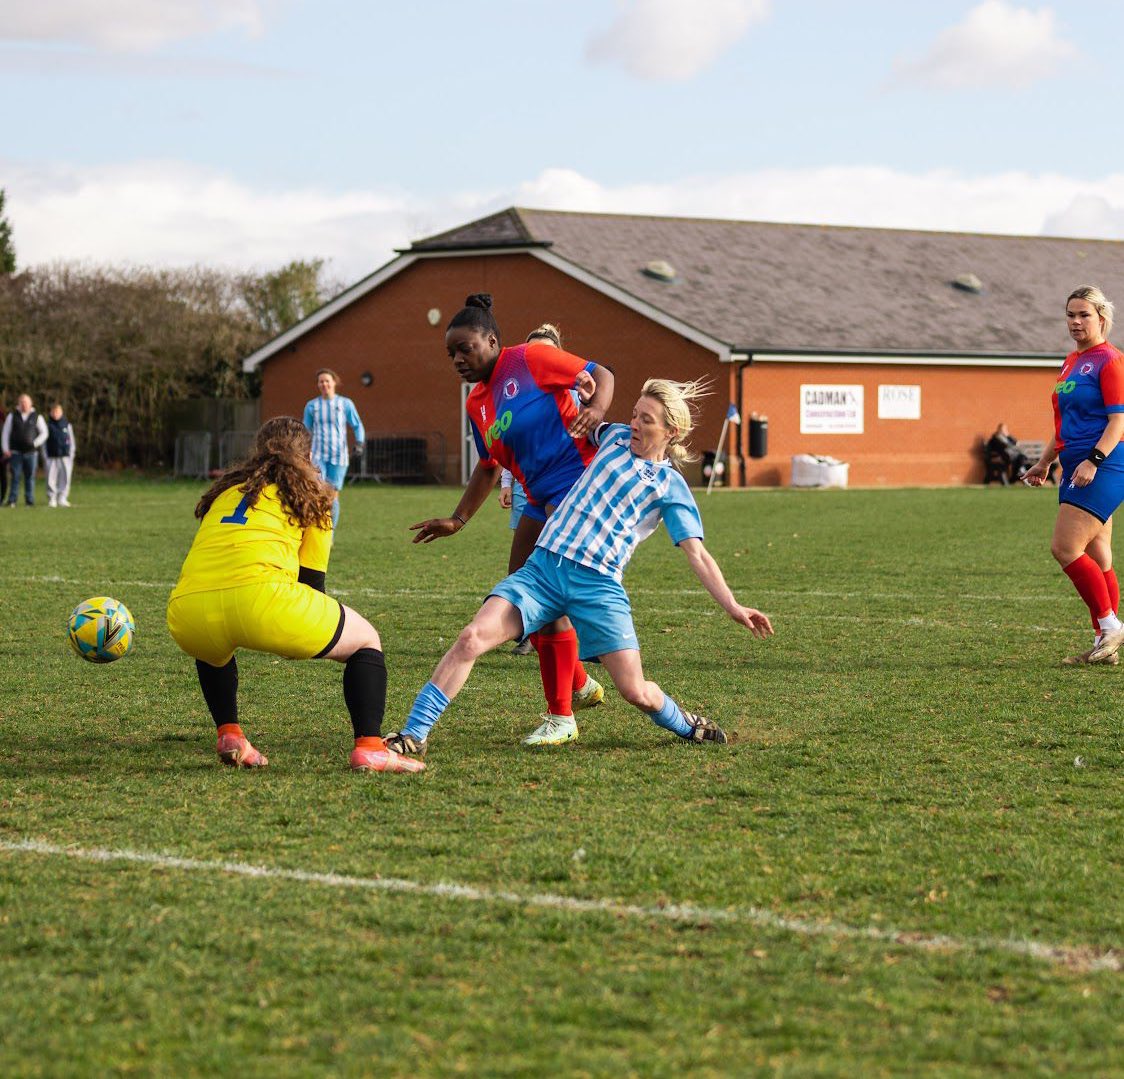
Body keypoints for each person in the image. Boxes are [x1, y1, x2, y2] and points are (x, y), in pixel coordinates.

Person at [387, 378, 774, 761]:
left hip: (598, 586)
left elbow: (698, 555)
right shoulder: (615, 437)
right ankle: (413, 734)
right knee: (471, 638)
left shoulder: (670, 486)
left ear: (671, 431)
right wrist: (579, 392)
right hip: (543, 570)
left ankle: (688, 725)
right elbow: (580, 416)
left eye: (647, 420)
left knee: (635, 691)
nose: (635, 424)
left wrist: (733, 607)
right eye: (635, 414)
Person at [410, 297, 616, 746]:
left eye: (465, 348)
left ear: (492, 341)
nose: (458, 360)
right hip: (540, 499)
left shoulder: (530, 359)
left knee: (541, 597)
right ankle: (578, 684)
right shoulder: (477, 404)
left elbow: (603, 373)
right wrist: (458, 520)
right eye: (451, 354)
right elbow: (487, 466)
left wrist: (596, 409)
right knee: (518, 591)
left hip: (578, 491)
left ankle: (562, 716)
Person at [166, 417, 422, 773]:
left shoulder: (225, 491)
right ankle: (369, 747)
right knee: (366, 641)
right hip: (262, 604)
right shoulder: (313, 495)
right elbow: (312, 586)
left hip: (187, 612)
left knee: (214, 647)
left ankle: (229, 734)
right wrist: (292, 638)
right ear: (307, 454)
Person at [1022, 285, 1124, 666]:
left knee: (1064, 548)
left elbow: (1118, 421)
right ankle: (1105, 645)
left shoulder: (1110, 360)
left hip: (1103, 464)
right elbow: (1064, 423)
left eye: (1084, 315)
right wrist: (1045, 461)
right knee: (1099, 558)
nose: (1076, 322)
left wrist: (1094, 460)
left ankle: (1111, 626)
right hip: (1074, 464)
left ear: (1101, 318)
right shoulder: (1070, 361)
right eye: (1070, 314)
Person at [302, 368, 365, 529]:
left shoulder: (345, 404)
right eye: (321, 381)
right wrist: (302, 449)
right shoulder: (312, 406)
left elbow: (357, 425)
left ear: (334, 382)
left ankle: (329, 532)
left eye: (327, 381)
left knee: (332, 495)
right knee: (317, 492)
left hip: (339, 456)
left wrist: (359, 443)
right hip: (317, 455)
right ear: (318, 385)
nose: (324, 384)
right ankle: (316, 528)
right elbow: (305, 430)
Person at [1, 393, 48, 507]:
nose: (24, 405)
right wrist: (5, 449)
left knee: (30, 477)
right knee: (15, 477)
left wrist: (35, 443)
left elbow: (44, 433)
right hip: (15, 452)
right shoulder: (12, 416)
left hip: (31, 453)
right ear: (19, 404)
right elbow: (6, 433)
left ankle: (29, 500)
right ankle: (12, 500)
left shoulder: (37, 417)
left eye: (26, 402)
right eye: (22, 402)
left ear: (30, 403)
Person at [44, 403, 76, 508]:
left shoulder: (67, 425)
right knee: (50, 478)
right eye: (53, 412)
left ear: (61, 413)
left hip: (65, 456)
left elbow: (71, 441)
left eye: (57, 412)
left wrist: (71, 454)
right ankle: (52, 498)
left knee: (65, 477)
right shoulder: (48, 425)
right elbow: (44, 443)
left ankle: (62, 498)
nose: (55, 414)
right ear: (50, 413)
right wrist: (45, 455)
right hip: (51, 456)